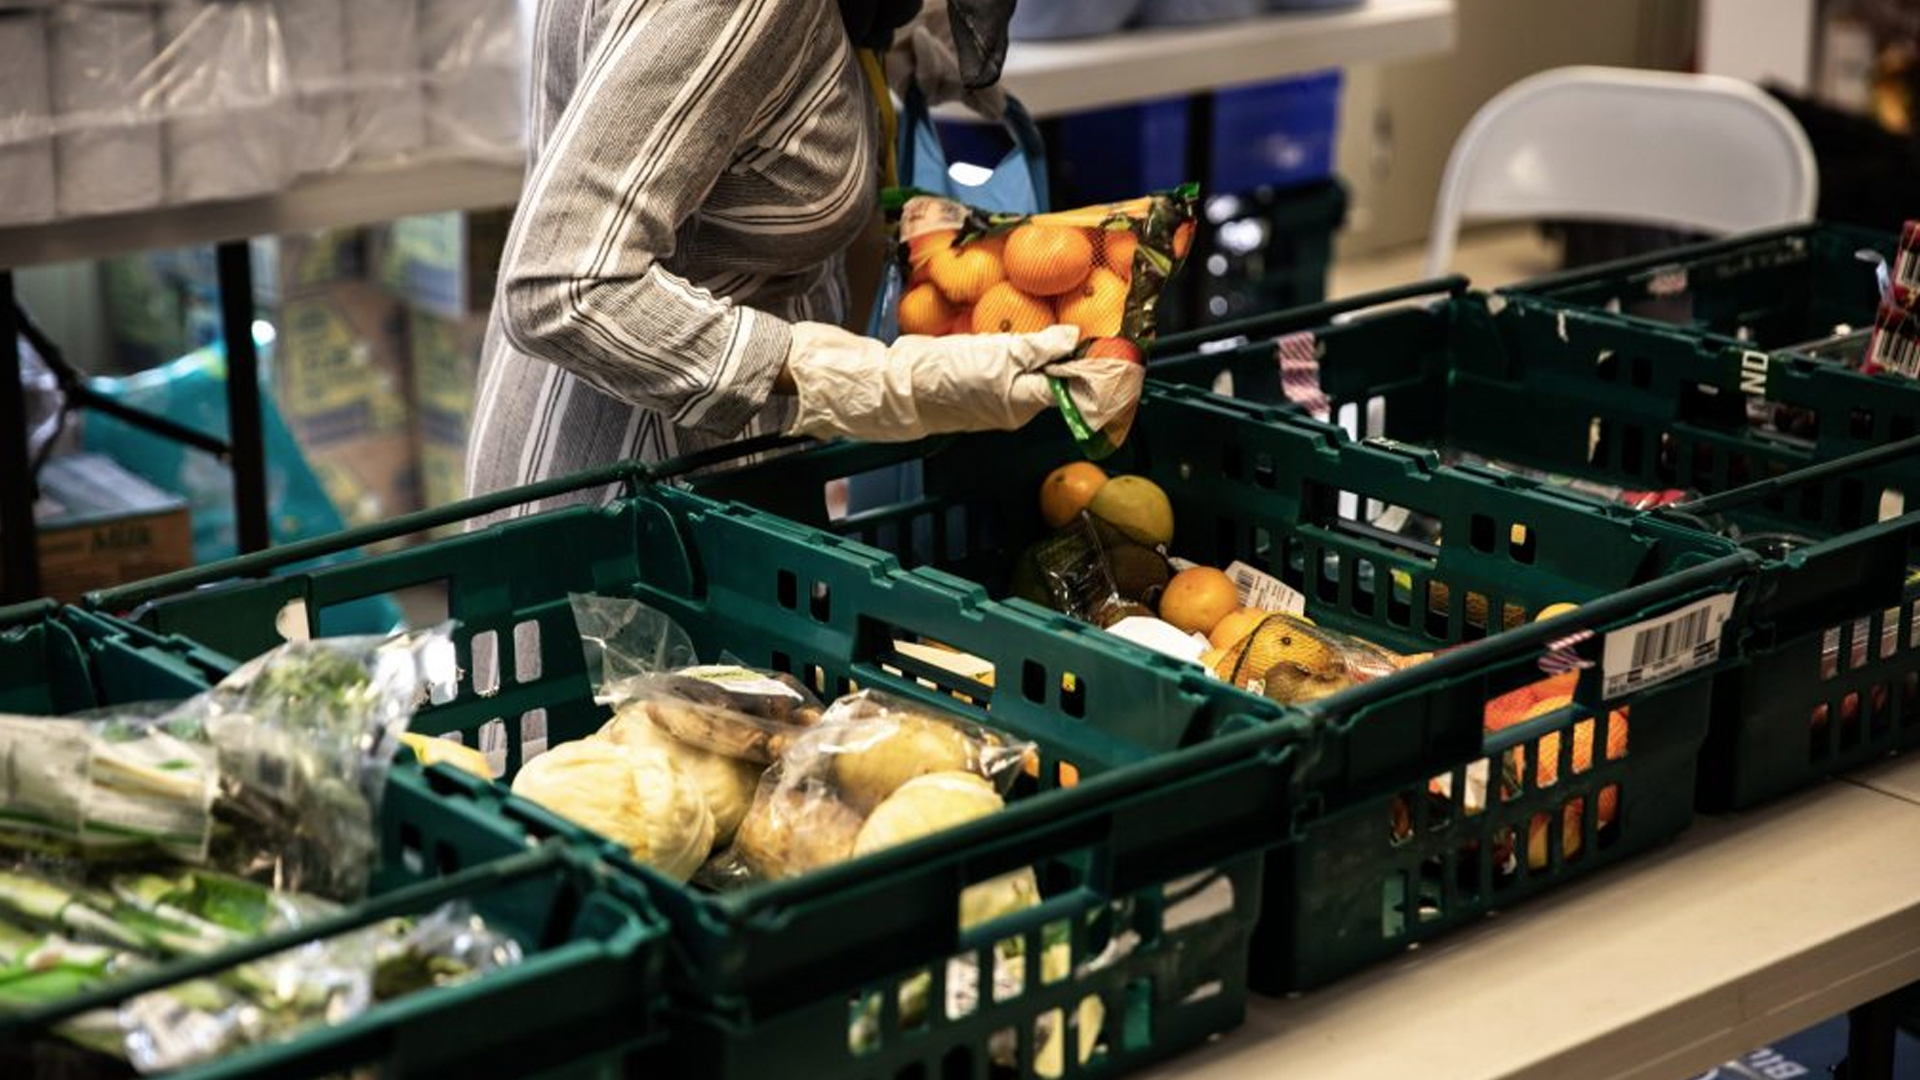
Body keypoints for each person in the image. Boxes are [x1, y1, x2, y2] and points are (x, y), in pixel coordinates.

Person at [466, 0, 1143, 517]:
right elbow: (565, 286)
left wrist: (864, 57)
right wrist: (854, 378)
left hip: (715, 471)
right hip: (639, 501)